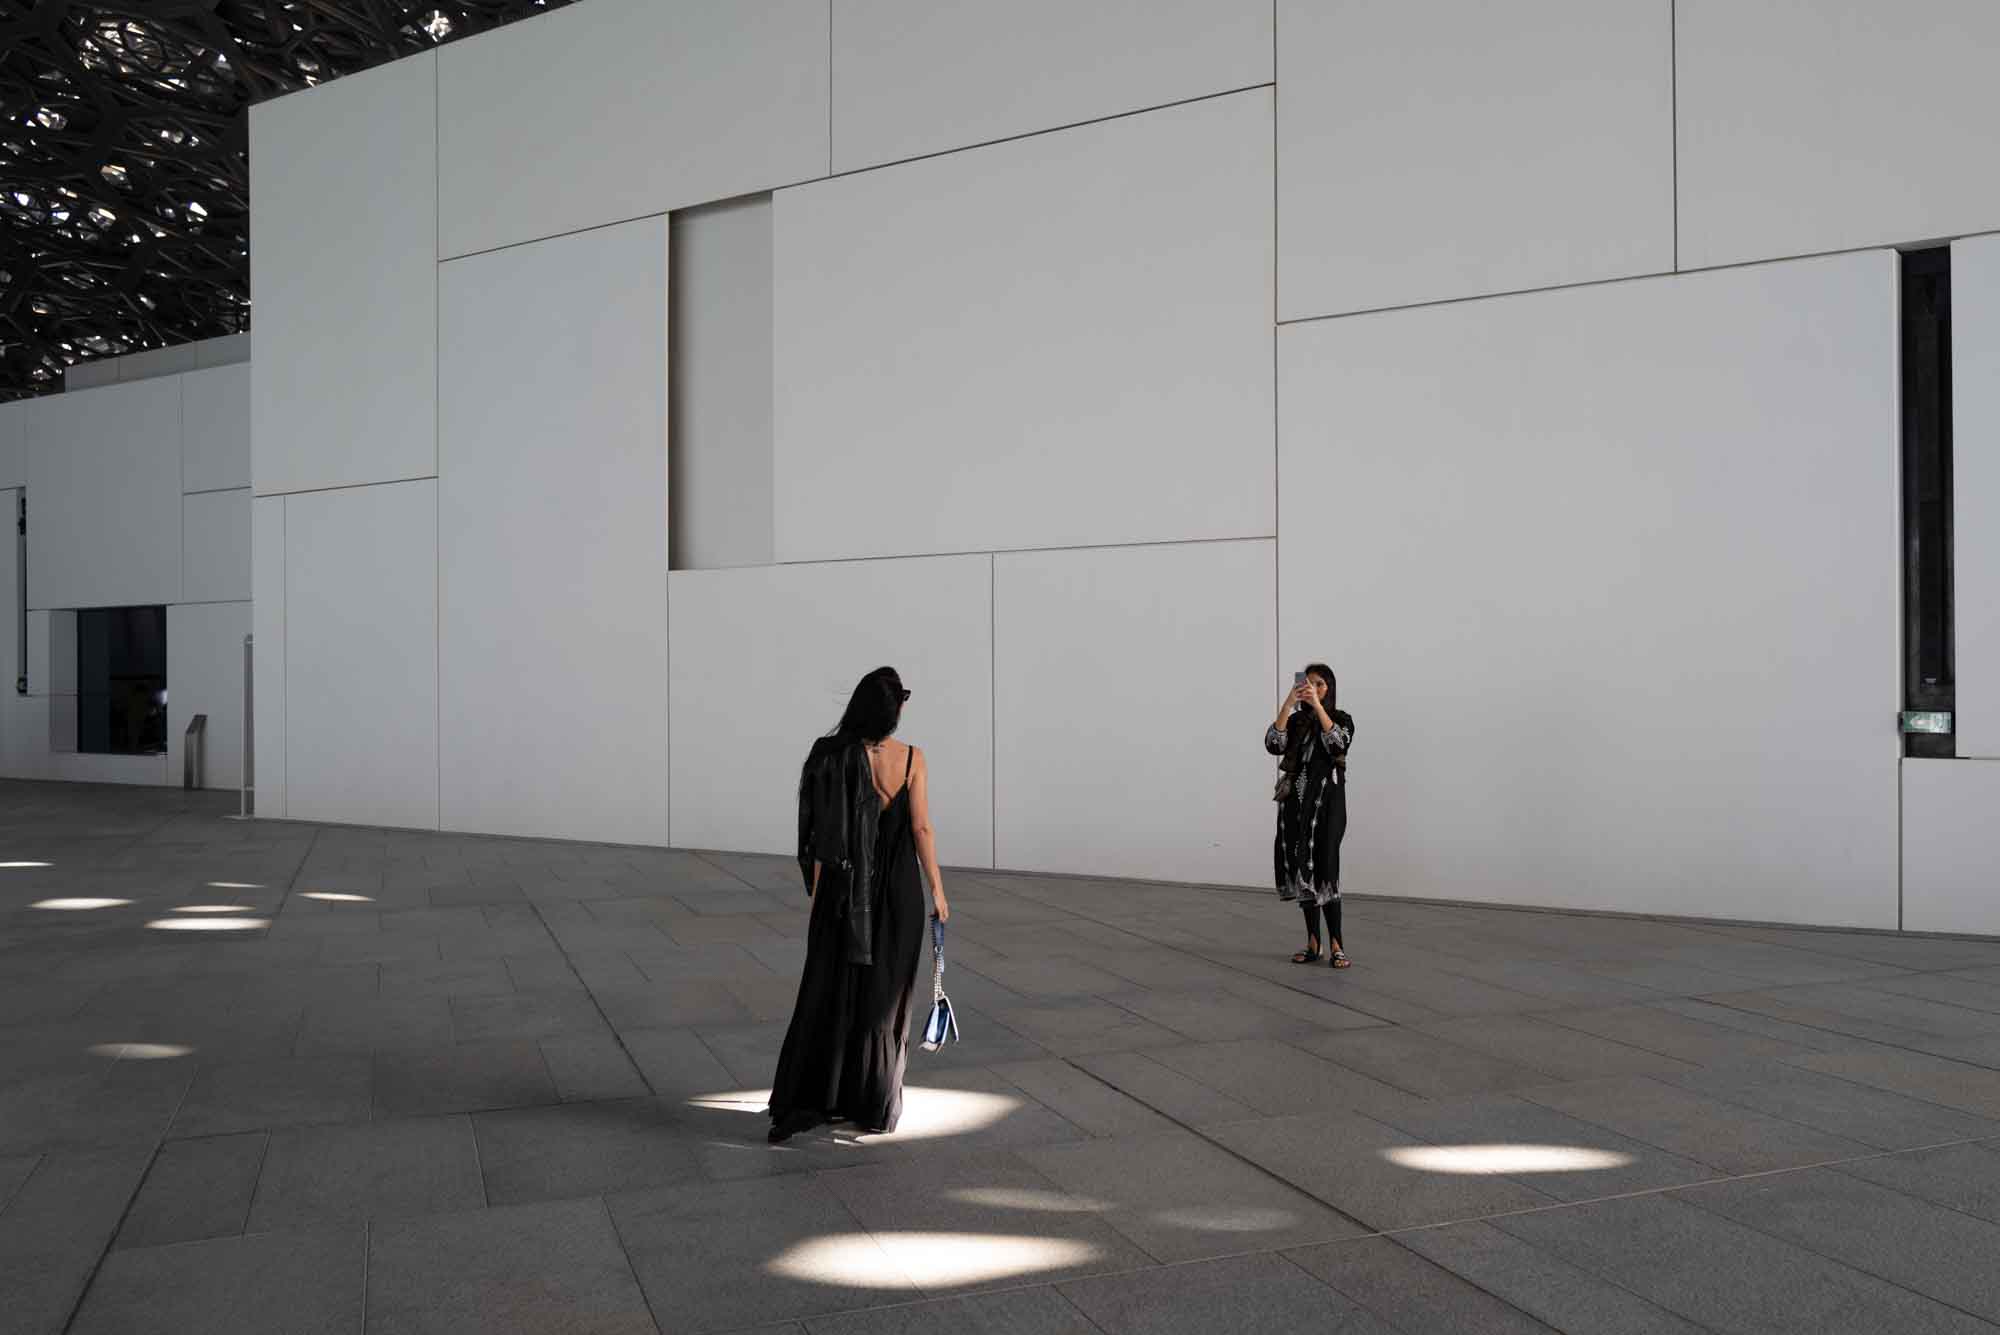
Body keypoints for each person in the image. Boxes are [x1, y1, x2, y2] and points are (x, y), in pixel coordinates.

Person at [769, 666, 950, 1143]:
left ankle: (818, 1095)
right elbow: (921, 829)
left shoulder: (831, 757)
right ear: (895, 711)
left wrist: (817, 897)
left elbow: (822, 837)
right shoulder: (912, 759)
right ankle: (870, 1101)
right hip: (897, 894)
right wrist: (938, 891)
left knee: (831, 992)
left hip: (843, 894)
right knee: (885, 998)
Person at [1266, 662, 1354, 967]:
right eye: (1308, 684)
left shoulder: (1341, 720)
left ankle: (1337, 945)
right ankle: (1313, 943)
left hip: (1327, 807)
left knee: (1326, 867)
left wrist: (1317, 706)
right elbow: (1273, 744)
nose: (1312, 688)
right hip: (1296, 805)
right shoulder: (1296, 722)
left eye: (1319, 684)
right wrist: (1289, 704)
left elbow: (1337, 744)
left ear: (1328, 688)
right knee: (1303, 866)